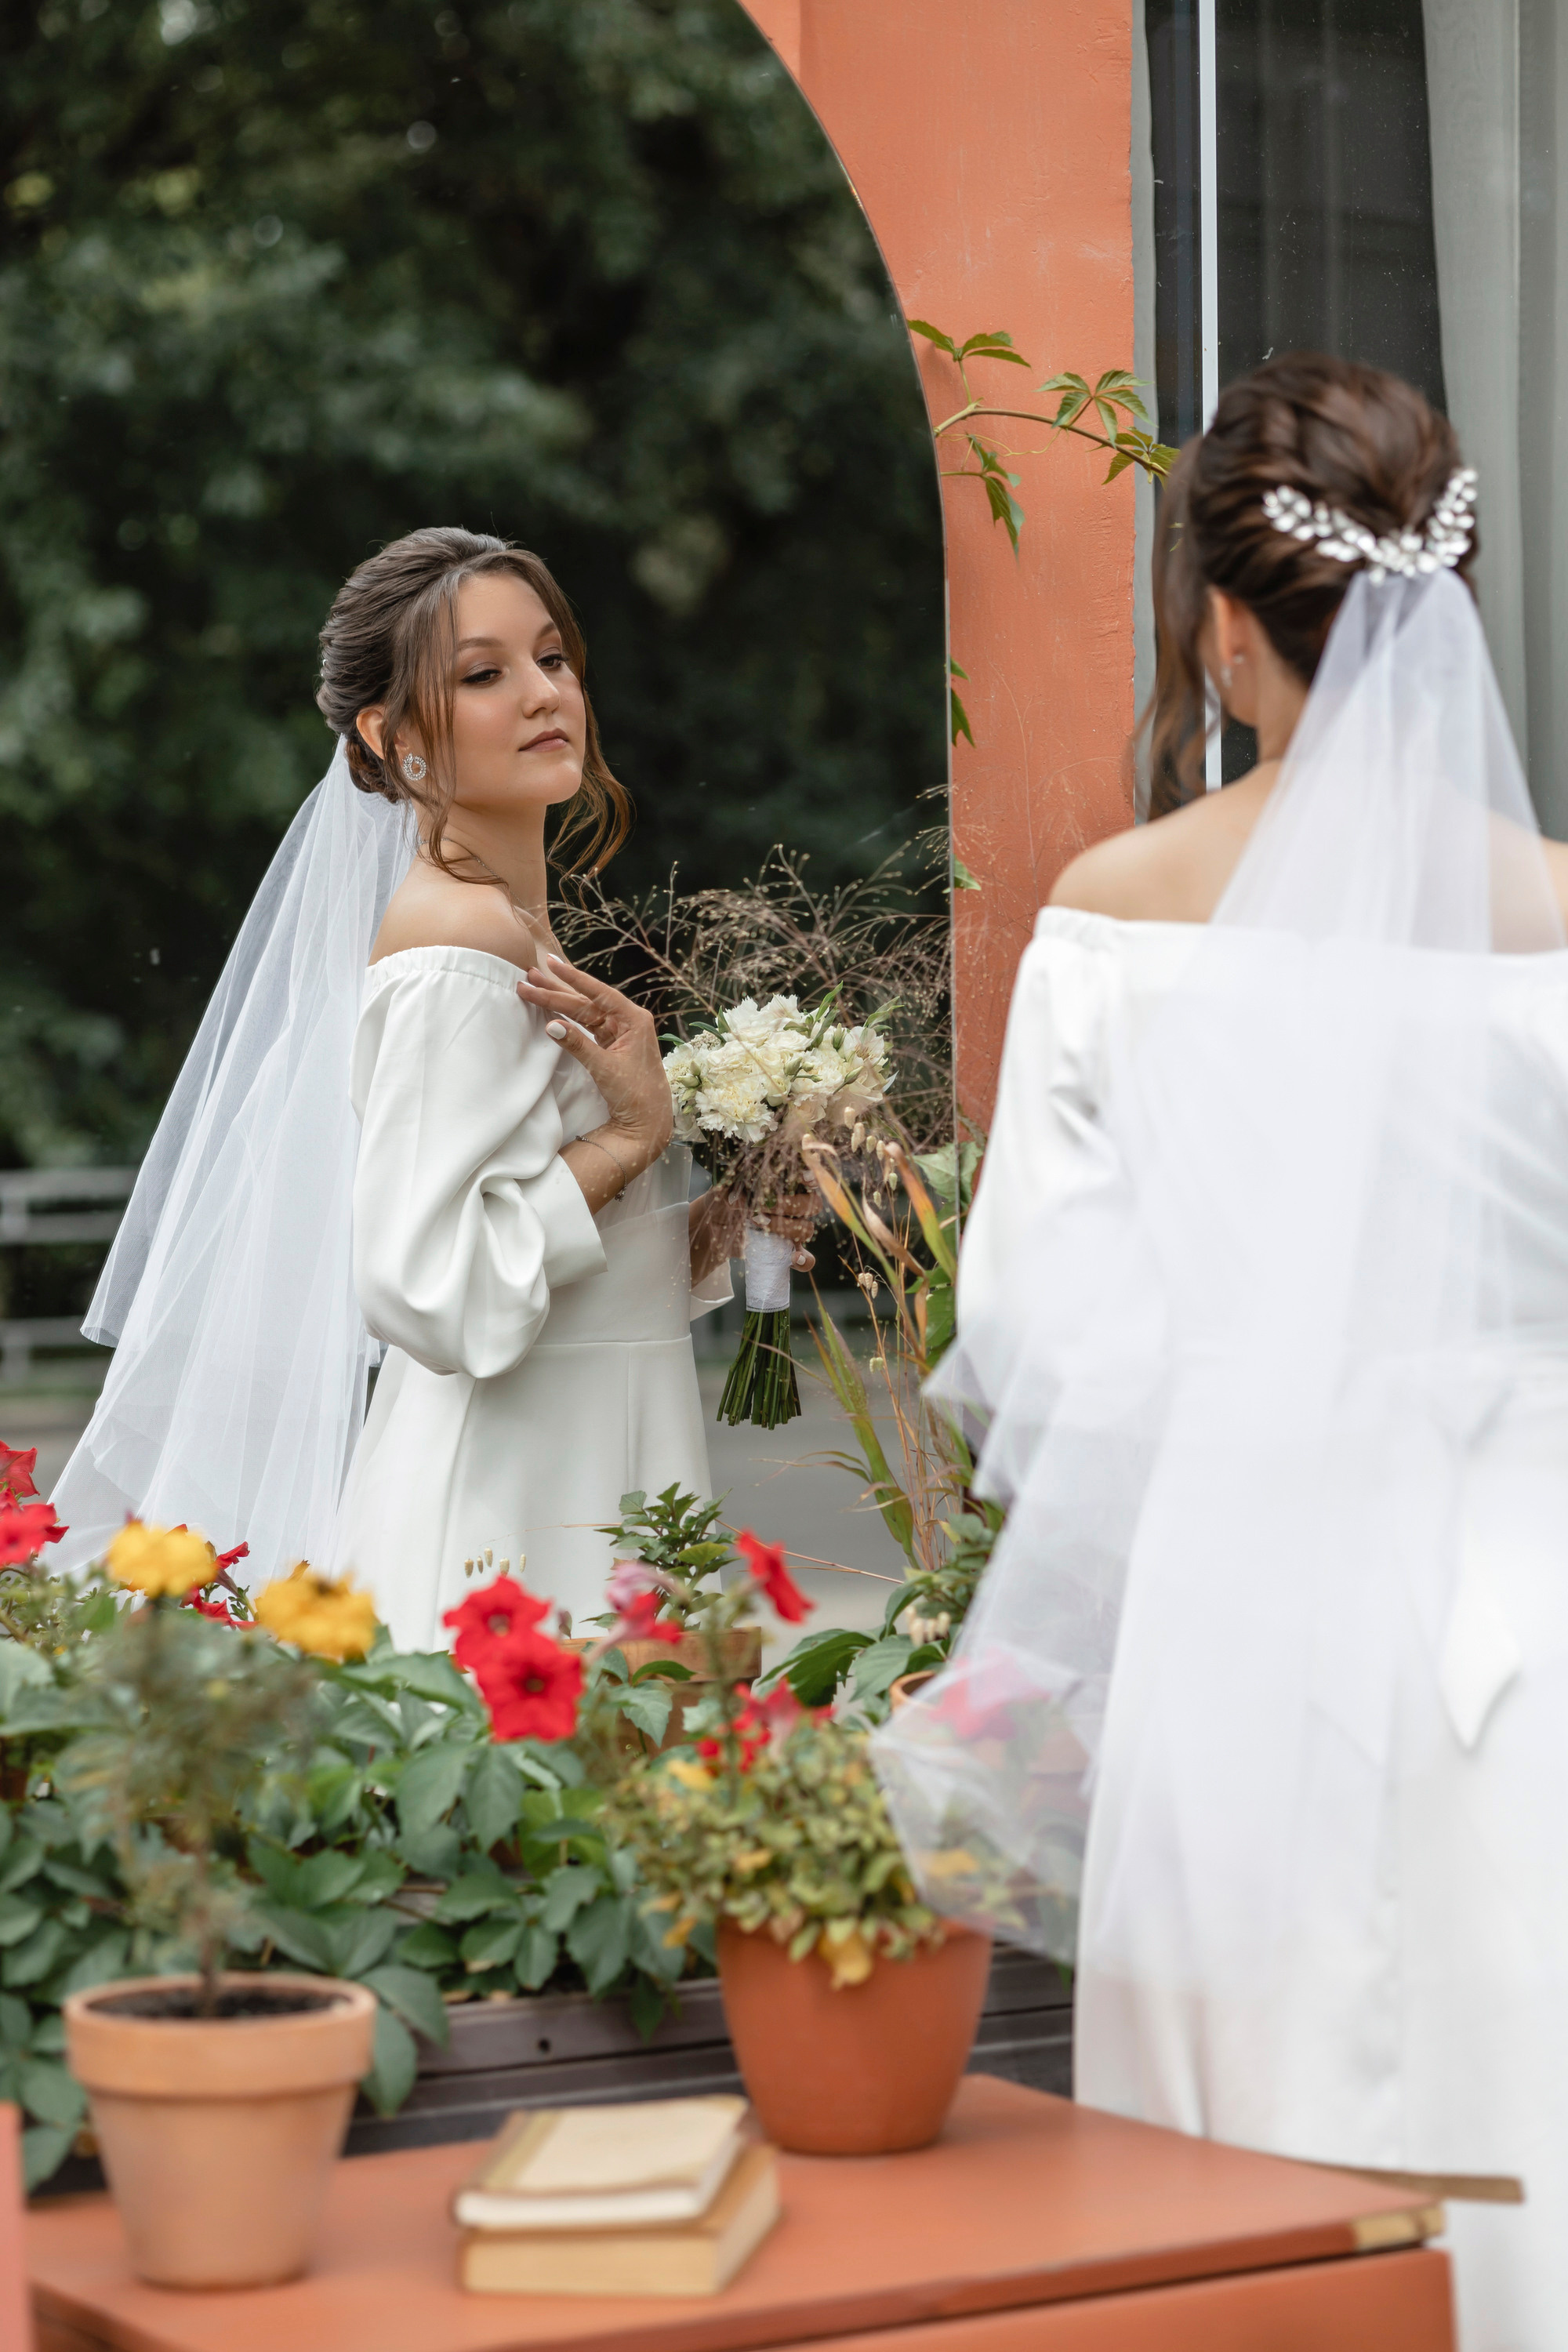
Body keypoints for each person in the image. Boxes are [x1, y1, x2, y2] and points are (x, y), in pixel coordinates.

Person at [874, 356, 1568, 2350]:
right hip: (1536, 1611)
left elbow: (1032, 1340)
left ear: (1220, 627)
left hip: (1246, 1619)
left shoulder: (1119, 920)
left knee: (1255, 2142)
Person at [52, 527, 797, 1642]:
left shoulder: (518, 929)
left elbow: (548, 1258)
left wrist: (727, 1226)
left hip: (597, 1455)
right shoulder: (458, 951)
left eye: (554, 658)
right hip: (510, 1505)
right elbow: (428, 1283)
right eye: (484, 674)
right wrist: (636, 1130)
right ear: (393, 736)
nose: (544, 694)